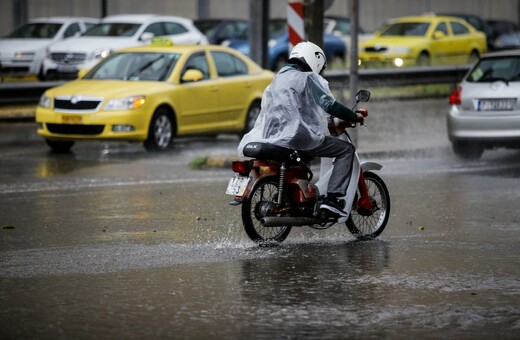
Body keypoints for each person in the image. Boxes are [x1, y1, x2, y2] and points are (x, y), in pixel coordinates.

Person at [238, 41, 364, 217]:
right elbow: (329, 104)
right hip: (297, 137)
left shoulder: (278, 78)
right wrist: (352, 116)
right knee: (346, 150)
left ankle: (306, 194)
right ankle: (333, 200)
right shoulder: (306, 78)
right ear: (315, 59)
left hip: (272, 136)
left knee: (305, 156)